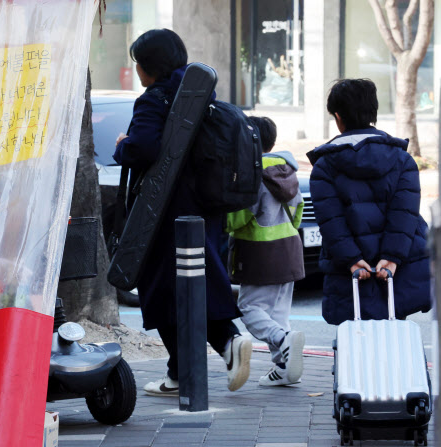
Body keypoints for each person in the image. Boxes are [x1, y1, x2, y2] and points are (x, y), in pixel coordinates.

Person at [113, 29, 252, 396]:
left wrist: (123, 146)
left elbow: (143, 148)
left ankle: (224, 345)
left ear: (148, 67)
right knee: (197, 279)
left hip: (163, 212)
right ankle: (189, 366)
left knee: (160, 289)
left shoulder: (154, 99)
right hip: (203, 208)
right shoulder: (200, 95)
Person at [307, 78, 431, 325]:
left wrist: (352, 259)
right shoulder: (402, 160)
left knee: (354, 336)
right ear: (372, 113)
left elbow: (331, 222)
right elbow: (404, 214)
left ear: (338, 117)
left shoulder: (325, 166)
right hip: (395, 270)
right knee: (393, 327)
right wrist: (392, 258)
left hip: (349, 270)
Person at [225, 116, 306, 386]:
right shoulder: (287, 171)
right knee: (278, 313)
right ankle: (284, 368)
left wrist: (224, 220)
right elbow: (298, 209)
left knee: (249, 308)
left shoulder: (252, 174)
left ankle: (284, 341)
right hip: (290, 248)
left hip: (261, 253)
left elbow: (238, 218)